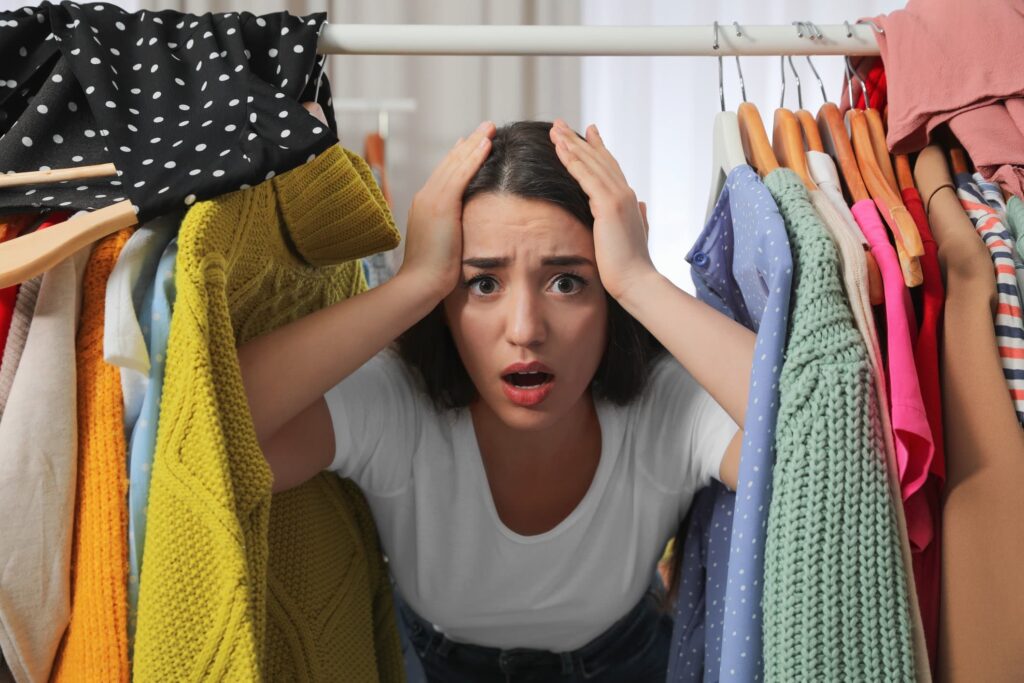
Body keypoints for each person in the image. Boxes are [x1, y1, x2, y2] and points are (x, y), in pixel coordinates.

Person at [237, 119, 755, 681]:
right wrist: (413, 285)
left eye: (567, 282)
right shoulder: (398, 404)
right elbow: (212, 424)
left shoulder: (663, 409)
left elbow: (815, 441)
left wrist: (638, 279)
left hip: (629, 662)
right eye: (483, 284)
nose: (526, 330)